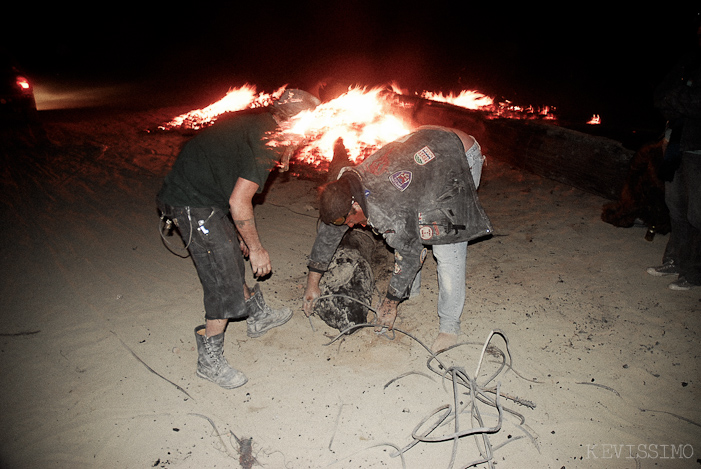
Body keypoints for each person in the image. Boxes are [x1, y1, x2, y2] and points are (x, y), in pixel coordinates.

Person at [157, 89, 321, 389]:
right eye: (308, 122)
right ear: (294, 119)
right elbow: (239, 202)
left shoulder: (264, 125)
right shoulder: (267, 140)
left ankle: (257, 316)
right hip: (189, 202)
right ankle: (209, 361)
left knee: (229, 253)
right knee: (221, 276)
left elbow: (231, 191)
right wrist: (256, 248)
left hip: (207, 196)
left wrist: (238, 235)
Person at [302, 126, 492, 353]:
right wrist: (312, 284)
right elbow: (330, 230)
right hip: (423, 153)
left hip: (455, 155)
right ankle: (413, 290)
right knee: (416, 227)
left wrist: (391, 303)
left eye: (351, 221)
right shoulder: (344, 187)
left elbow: (409, 252)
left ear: (355, 204)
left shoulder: (388, 210)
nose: (351, 227)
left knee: (446, 246)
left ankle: (449, 326)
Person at [647, 17, 701, 291]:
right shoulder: (690, 59)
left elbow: (695, 103)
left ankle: (693, 273)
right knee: (675, 207)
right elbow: (661, 95)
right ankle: (674, 261)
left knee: (697, 214)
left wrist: (679, 99)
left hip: (698, 149)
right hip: (677, 142)